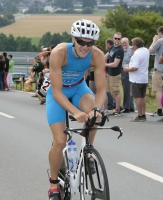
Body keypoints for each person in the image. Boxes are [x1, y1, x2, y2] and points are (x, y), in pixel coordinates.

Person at [46, 19, 106, 200]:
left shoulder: (97, 55)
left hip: (79, 88)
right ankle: (53, 184)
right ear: (73, 39)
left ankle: (87, 150)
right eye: (81, 42)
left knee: (94, 116)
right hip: (59, 93)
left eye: (90, 43)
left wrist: (97, 109)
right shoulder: (59, 53)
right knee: (60, 141)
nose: (85, 47)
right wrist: (75, 112)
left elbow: (102, 89)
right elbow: (56, 92)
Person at [123, 37, 149, 122]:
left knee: (137, 97)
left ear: (135, 45)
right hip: (144, 77)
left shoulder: (137, 54)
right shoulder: (145, 50)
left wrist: (127, 69)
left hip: (136, 78)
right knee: (142, 96)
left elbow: (135, 67)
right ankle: (143, 114)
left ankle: (140, 115)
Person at [104, 32, 124, 116]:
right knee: (110, 91)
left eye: (119, 39)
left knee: (116, 91)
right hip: (110, 73)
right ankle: (118, 106)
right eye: (115, 38)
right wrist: (100, 60)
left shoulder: (120, 50)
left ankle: (117, 109)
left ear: (121, 40)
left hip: (115, 73)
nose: (117, 40)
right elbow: (107, 56)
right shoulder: (112, 47)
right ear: (113, 38)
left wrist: (105, 64)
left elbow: (115, 64)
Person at [149, 26, 163, 117]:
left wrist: (153, 41)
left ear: (159, 32)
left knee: (157, 89)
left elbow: (150, 51)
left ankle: (159, 110)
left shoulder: (160, 41)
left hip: (158, 68)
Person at [121, 37, 135, 113]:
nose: (124, 44)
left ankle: (127, 107)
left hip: (128, 69)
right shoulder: (121, 50)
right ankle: (131, 106)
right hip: (122, 69)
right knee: (127, 88)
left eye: (125, 42)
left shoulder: (132, 50)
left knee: (127, 88)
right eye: (122, 43)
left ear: (128, 42)